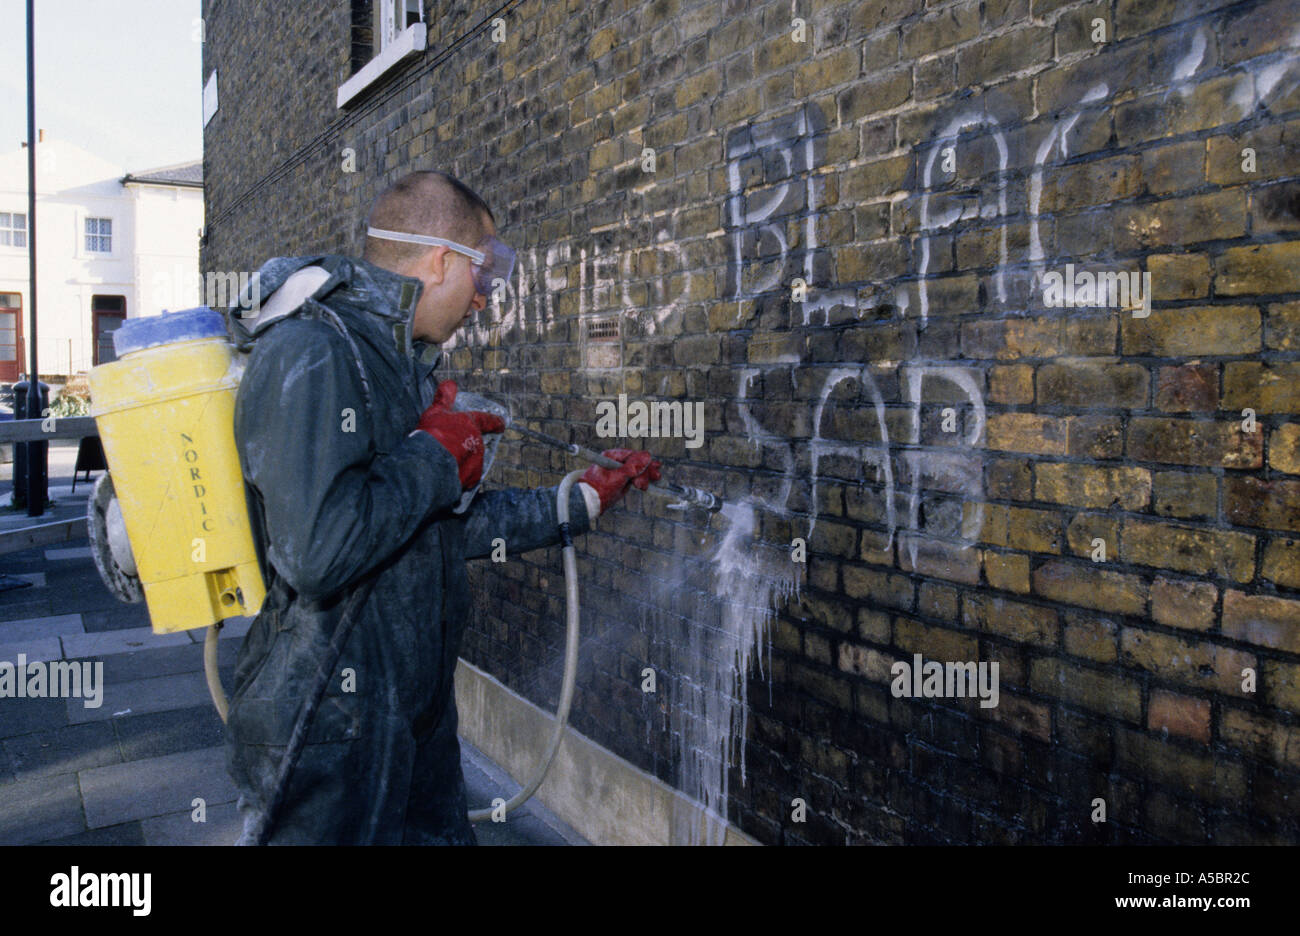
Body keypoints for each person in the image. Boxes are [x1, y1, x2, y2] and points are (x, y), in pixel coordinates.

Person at [223, 170, 660, 845]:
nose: (484, 301)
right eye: (482, 277)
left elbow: (433, 532)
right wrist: (432, 454)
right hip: (326, 723)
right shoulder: (310, 351)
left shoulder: (400, 364)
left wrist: (580, 501)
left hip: (412, 707)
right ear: (441, 260)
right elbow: (318, 553)